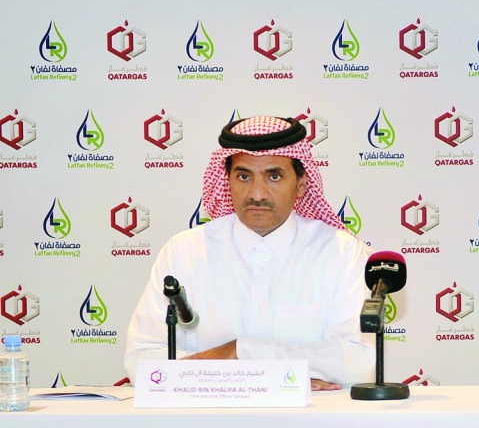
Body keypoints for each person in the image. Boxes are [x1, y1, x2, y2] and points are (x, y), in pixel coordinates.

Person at [124, 115, 373, 390]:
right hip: (204, 423)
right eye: (244, 176)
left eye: (274, 176)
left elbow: (359, 362)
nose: (256, 194)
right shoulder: (184, 252)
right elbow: (141, 359)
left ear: (301, 184)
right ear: (227, 181)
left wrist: (241, 352)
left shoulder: (342, 254)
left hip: (306, 425)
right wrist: (273, 374)